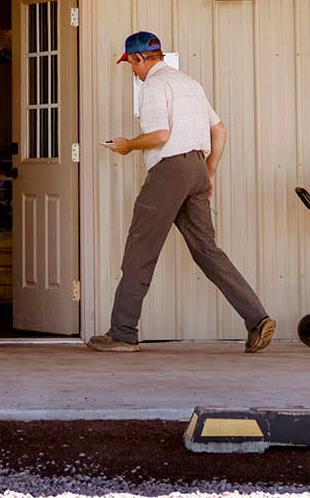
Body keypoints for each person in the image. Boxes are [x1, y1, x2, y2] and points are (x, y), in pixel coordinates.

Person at [86, 30, 275, 353]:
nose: (132, 71)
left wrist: (128, 145)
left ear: (140, 58)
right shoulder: (189, 83)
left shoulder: (154, 86)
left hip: (169, 172)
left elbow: (160, 135)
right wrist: (209, 171)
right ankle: (257, 319)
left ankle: (122, 333)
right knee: (207, 251)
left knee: (140, 251)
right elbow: (219, 129)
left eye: (131, 64)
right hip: (197, 169)